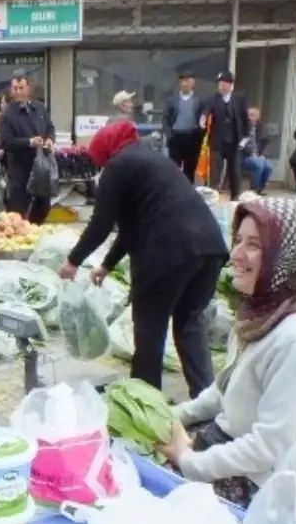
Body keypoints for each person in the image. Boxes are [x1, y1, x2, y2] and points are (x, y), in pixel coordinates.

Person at [161, 198, 296, 506]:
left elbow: (272, 447)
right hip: (263, 452)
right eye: (237, 241)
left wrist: (188, 462)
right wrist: (173, 416)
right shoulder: (266, 311)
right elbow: (226, 388)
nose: (235, 254)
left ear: (285, 255)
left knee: (172, 489)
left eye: (254, 245)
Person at [60, 121, 228, 397]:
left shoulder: (118, 166)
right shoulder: (151, 160)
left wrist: (73, 261)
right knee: (189, 324)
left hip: (169, 252)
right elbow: (131, 227)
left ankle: (145, 403)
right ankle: (207, 402)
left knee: (150, 331)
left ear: (105, 149)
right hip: (210, 246)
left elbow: (101, 223)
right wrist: (106, 264)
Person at [0, 72, 56, 223]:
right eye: (15, 88)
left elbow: (50, 127)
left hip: (41, 168)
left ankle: (36, 231)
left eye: (21, 88)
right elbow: (6, 142)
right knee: (17, 212)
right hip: (20, 170)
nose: (17, 92)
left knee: (43, 207)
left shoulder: (39, 108)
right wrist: (29, 142)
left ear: (28, 88)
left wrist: (50, 139)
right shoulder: (8, 115)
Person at [202, 71, 250, 199]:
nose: (222, 87)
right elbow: (206, 110)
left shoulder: (239, 98)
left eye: (224, 85)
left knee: (235, 171)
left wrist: (245, 137)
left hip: (235, 143)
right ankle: (212, 196)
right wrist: (203, 118)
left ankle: (234, 197)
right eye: (220, 84)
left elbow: (246, 120)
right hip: (217, 142)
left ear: (230, 85)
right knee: (214, 172)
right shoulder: (214, 99)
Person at [164, 71, 203, 182]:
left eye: (188, 81)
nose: (185, 84)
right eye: (183, 81)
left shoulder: (198, 100)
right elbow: (166, 119)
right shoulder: (172, 100)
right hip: (176, 137)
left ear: (193, 82)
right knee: (174, 169)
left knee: (190, 168)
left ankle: (188, 191)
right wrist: (169, 135)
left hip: (192, 137)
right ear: (180, 83)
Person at [242, 105, 273, 194]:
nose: (249, 117)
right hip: (245, 155)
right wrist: (251, 153)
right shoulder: (242, 127)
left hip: (258, 155)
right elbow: (241, 144)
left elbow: (268, 142)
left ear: (257, 117)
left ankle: (260, 189)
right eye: (248, 115)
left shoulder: (262, 127)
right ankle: (253, 189)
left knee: (268, 167)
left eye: (252, 115)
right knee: (259, 165)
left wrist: (263, 155)